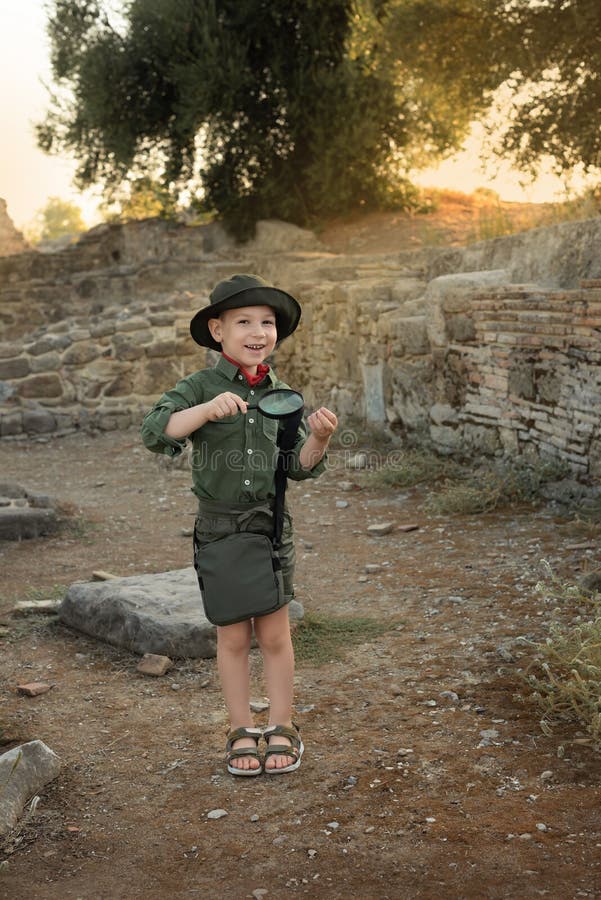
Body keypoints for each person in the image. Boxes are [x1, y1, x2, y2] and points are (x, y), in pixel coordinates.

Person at [141, 273, 337, 776]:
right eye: (244, 321)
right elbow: (156, 430)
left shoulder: (283, 394)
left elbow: (297, 465)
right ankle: (239, 729)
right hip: (220, 530)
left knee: (275, 634)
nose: (258, 331)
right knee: (232, 638)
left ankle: (282, 727)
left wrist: (319, 439)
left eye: (267, 322)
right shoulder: (199, 387)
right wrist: (205, 411)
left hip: (269, 530)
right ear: (217, 329)